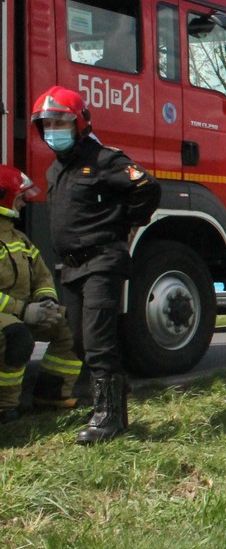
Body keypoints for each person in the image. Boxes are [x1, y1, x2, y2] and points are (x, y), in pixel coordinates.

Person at [31, 86, 160, 445]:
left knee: (100, 340)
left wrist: (124, 223)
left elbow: (147, 188)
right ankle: (109, 402)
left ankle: (110, 419)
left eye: (61, 122)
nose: (53, 129)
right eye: (47, 124)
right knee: (80, 340)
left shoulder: (104, 160)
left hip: (102, 261)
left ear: (80, 124)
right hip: (71, 267)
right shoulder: (55, 170)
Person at [0, 167, 82, 423]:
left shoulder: (19, 239)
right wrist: (23, 311)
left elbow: (42, 276)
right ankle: (5, 408)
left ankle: (51, 393)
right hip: (9, 317)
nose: (25, 202)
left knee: (73, 326)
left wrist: (47, 302)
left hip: (22, 312)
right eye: (20, 197)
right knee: (16, 337)